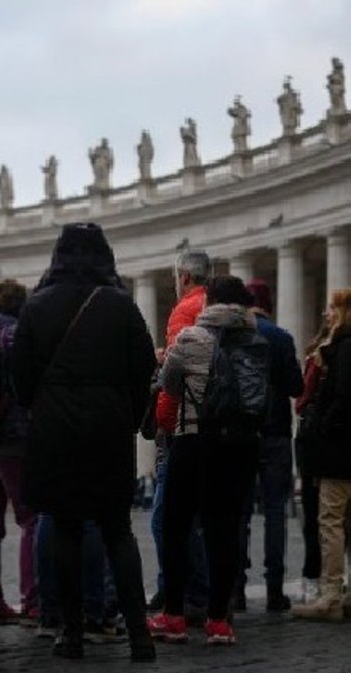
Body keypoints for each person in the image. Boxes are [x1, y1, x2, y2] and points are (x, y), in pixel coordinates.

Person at [12, 222, 156, 662]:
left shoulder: (36, 306)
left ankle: (70, 634)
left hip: (55, 428)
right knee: (117, 529)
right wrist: (127, 418)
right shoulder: (121, 305)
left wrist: (46, 405)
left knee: (67, 529)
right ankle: (139, 636)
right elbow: (144, 371)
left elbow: (20, 380)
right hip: (109, 427)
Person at [147, 275, 262, 646]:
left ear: (208, 301)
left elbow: (169, 386)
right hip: (239, 446)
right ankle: (219, 620)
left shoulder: (191, 338)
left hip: (192, 440)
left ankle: (175, 615)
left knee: (177, 528)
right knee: (225, 530)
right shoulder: (256, 340)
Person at [149, 250, 210, 617]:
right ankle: (199, 592)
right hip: (215, 427)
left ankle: (185, 592)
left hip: (183, 427)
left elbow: (174, 382)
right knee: (201, 519)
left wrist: (161, 422)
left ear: (184, 277)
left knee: (165, 518)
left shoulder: (185, 311)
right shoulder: (219, 307)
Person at [235, 280, 303, 611]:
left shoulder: (235, 337)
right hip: (275, 433)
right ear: (269, 304)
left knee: (240, 513)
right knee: (276, 511)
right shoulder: (281, 338)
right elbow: (295, 387)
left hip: (241, 433)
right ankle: (274, 589)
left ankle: (236, 589)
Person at [0, 279, 37, 625]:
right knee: (30, 519)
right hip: (13, 437)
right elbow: (24, 384)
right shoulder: (16, 334)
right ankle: (32, 599)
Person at [293, 288, 351, 620]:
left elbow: (342, 399)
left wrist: (322, 427)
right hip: (343, 450)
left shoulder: (342, 351)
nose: (326, 313)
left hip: (338, 453)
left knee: (330, 522)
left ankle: (330, 596)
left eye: (331, 307)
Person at [293, 317, 332, 604]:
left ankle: (314, 579)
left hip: (317, 442)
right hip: (333, 443)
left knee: (317, 513)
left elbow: (301, 400)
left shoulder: (317, 356)